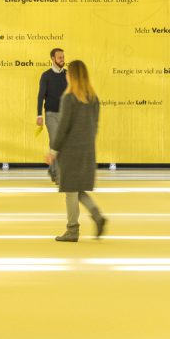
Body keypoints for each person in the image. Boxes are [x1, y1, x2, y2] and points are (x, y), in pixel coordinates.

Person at [46, 60, 106, 242]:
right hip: (87, 150)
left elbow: (62, 127)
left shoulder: (69, 98)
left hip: (69, 151)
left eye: (67, 73)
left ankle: (72, 229)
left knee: (70, 190)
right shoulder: (93, 98)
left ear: (72, 76)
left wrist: (53, 150)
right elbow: (94, 127)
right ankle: (96, 214)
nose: (65, 75)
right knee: (77, 188)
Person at [36, 47, 67, 182]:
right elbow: (40, 96)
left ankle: (52, 170)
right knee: (55, 141)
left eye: (63, 57)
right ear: (53, 59)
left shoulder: (67, 75)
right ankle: (59, 176)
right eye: (60, 57)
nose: (62, 60)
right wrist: (39, 115)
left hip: (65, 115)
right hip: (50, 114)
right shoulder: (46, 75)